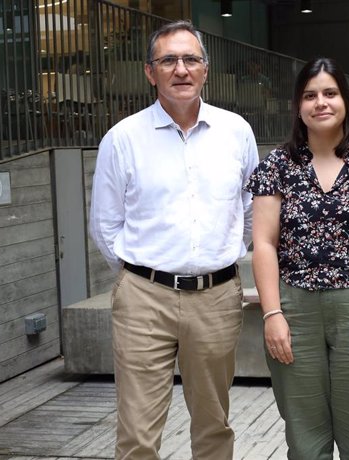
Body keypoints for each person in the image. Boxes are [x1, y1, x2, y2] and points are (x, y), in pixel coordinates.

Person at [89, 20, 258, 459]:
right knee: (138, 433)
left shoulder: (236, 131)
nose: (180, 69)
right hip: (144, 299)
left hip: (217, 297)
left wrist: (218, 259)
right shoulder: (122, 139)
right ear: (150, 72)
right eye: (168, 61)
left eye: (190, 59)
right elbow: (105, 226)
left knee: (213, 425)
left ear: (205, 69)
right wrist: (142, 276)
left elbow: (249, 211)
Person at [246, 57, 349, 459]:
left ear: (346, 101)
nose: (321, 103)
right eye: (310, 95)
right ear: (298, 105)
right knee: (304, 433)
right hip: (295, 307)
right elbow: (263, 243)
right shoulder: (277, 167)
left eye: (330, 93)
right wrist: (272, 314)